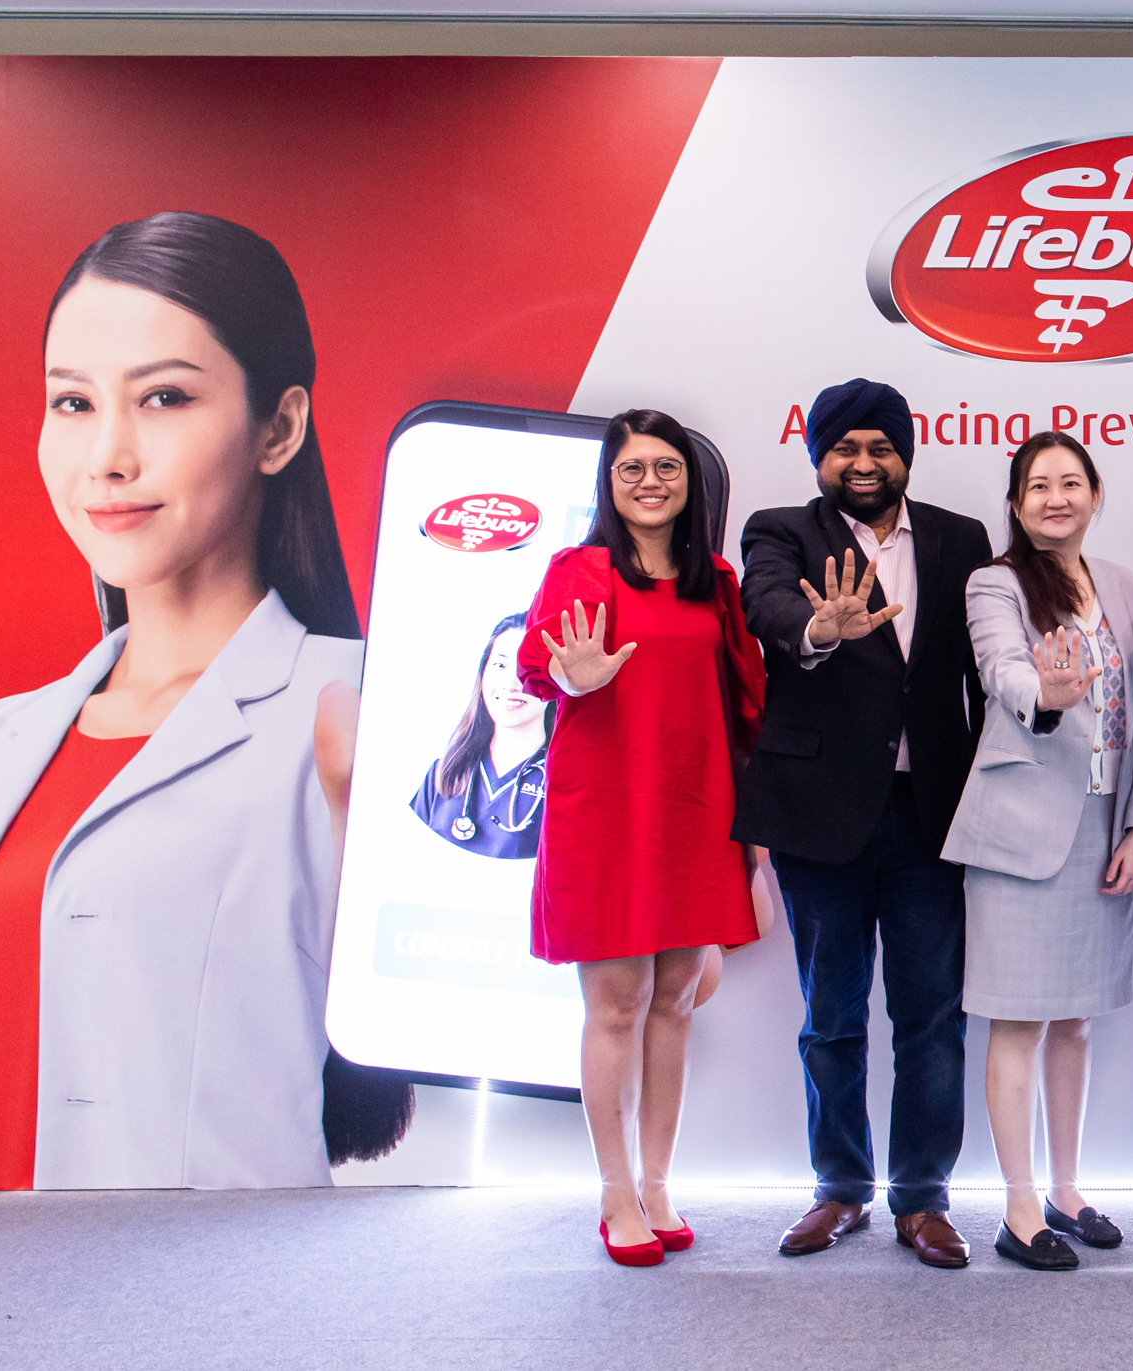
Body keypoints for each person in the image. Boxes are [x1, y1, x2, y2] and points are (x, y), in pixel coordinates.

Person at [0, 211, 412, 1194]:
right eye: (72, 403)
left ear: (279, 426)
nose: (108, 457)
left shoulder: (359, 712)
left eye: (163, 397)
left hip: (203, 1322)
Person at [739, 379, 992, 1269]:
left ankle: (922, 1199)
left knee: (932, 1017)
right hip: (819, 815)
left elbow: (982, 661)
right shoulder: (781, 529)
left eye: (880, 446)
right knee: (832, 1018)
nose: (863, 462)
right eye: (844, 447)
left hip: (931, 815)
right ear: (819, 458)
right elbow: (764, 605)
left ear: (906, 456)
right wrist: (818, 624)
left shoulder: (961, 538)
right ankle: (840, 1188)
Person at [519, 409, 767, 1266]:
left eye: (666, 465)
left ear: (689, 479)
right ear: (609, 480)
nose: (651, 481)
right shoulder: (580, 568)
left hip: (696, 810)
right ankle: (615, 1188)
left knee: (675, 1002)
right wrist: (567, 673)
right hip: (608, 812)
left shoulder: (716, 581)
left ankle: (659, 1182)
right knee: (615, 1003)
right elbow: (538, 664)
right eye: (632, 468)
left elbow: (744, 699)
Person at [940, 432, 1133, 1271]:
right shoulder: (994, 582)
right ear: (1015, 502)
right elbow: (1001, 667)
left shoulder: (1129, 587)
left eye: (1070, 482)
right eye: (1037, 485)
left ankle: (1069, 1189)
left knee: (1074, 1020)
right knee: (1018, 1019)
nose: (1055, 497)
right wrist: (1046, 693)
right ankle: (1018, 1204)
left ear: (1096, 493)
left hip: (1106, 830)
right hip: (1019, 833)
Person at [414, 611, 549, 859]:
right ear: (483, 672)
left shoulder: (563, 787)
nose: (512, 683)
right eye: (500, 665)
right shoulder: (443, 773)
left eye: (528, 668)